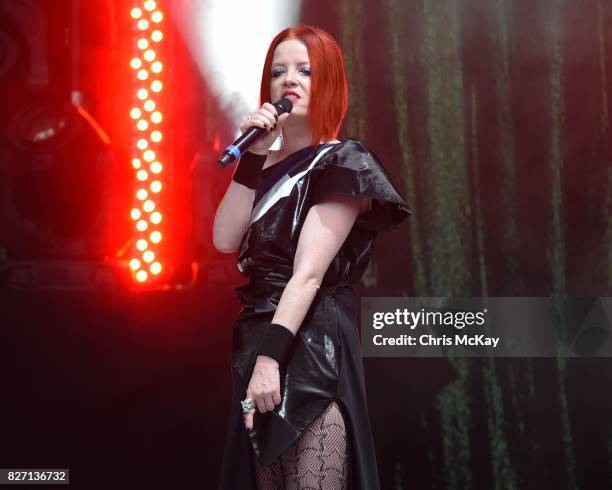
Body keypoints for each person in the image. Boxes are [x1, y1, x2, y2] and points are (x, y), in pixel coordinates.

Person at [215, 25, 411, 490]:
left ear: (329, 84)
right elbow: (224, 238)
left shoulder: (343, 161)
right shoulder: (263, 164)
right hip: (260, 337)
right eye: (278, 71)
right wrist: (252, 158)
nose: (289, 80)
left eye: (305, 70)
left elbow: (307, 275)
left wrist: (271, 359)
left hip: (310, 345)